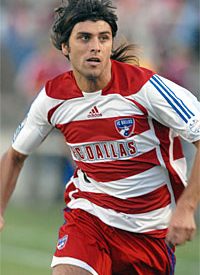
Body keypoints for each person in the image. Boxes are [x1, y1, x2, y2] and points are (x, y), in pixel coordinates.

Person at [1, 0, 200, 274]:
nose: (95, 45)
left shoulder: (145, 88)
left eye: (103, 38)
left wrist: (187, 207)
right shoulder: (52, 98)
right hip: (89, 216)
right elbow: (15, 155)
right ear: (65, 48)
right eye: (84, 37)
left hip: (149, 229)